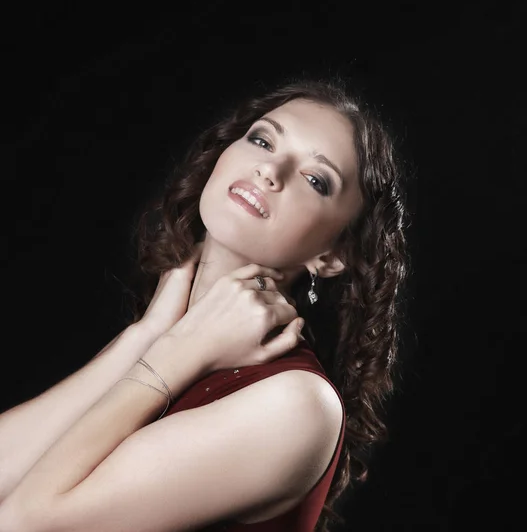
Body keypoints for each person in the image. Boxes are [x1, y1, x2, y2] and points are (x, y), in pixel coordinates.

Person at [0, 78, 409, 531]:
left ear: (333, 255)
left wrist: (174, 355)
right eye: (262, 140)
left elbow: (22, 521)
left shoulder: (298, 405)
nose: (270, 171)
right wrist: (150, 334)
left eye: (316, 180)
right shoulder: (165, 340)